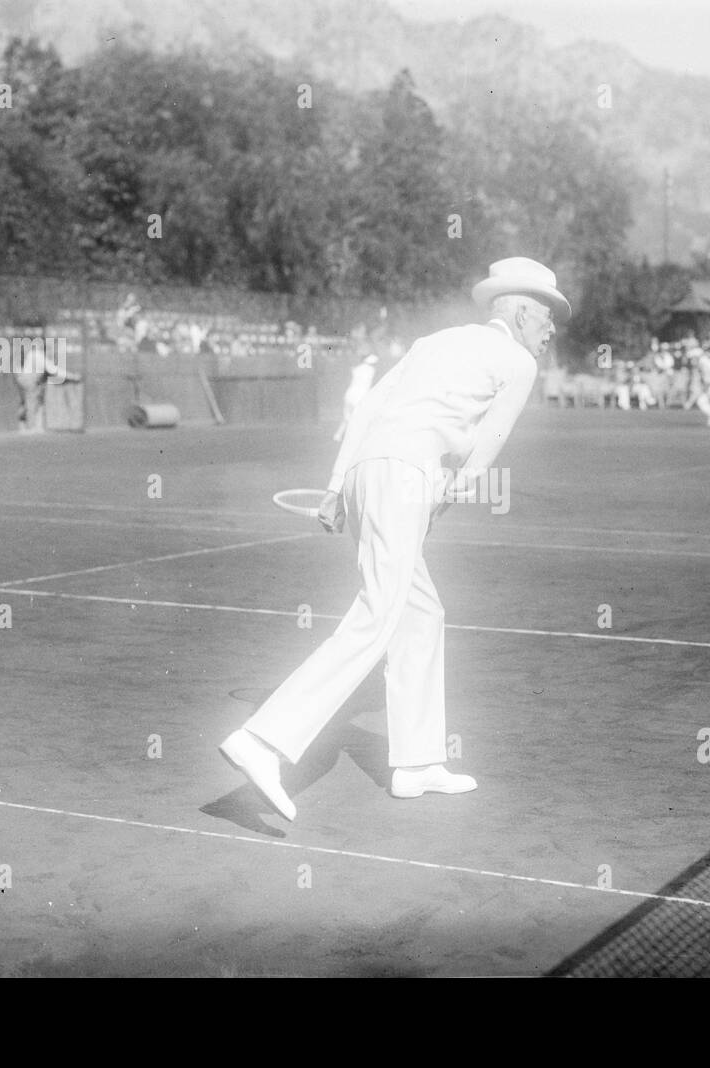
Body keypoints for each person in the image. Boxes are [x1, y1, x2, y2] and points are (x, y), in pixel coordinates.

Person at [218, 257, 568, 821]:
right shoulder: (517, 362)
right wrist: (439, 501)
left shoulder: (435, 341)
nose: (552, 329)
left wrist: (338, 486)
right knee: (379, 614)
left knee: (421, 611)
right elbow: (484, 450)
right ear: (522, 312)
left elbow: (370, 409)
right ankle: (263, 741)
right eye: (548, 316)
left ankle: (417, 763)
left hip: (368, 472)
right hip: (406, 477)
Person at [333, 352, 379, 442]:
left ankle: (338, 435)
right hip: (360, 396)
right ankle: (358, 437)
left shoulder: (356, 369)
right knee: (360, 417)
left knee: (347, 416)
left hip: (349, 395)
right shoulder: (371, 371)